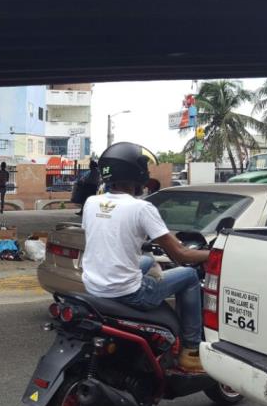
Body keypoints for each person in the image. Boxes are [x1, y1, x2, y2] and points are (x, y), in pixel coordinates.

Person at [80, 142, 209, 372]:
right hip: (128, 293)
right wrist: (213, 254)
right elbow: (181, 255)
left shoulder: (91, 202)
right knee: (189, 275)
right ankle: (191, 349)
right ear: (135, 172)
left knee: (147, 260)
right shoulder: (141, 208)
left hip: (94, 286)